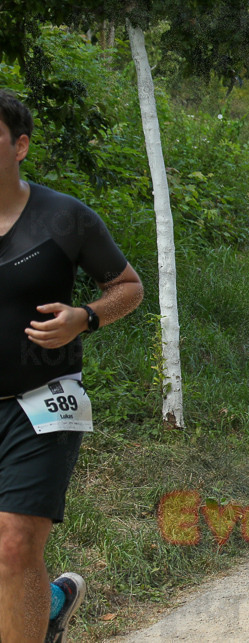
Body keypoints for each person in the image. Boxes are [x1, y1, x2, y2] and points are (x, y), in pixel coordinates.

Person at [0, 90, 143, 642]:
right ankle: (51, 606)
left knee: (14, 543)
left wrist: (84, 316)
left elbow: (127, 287)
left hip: (43, 398)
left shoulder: (64, 217)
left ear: (21, 146)